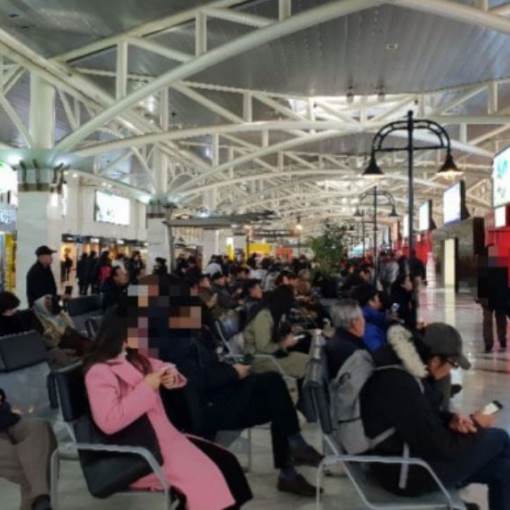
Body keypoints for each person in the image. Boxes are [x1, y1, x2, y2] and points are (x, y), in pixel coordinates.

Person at [136, 276, 323, 497]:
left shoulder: (172, 333)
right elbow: (194, 380)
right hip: (201, 410)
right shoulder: (168, 339)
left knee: (275, 393)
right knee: (274, 392)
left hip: (211, 398)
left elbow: (203, 369)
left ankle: (293, 455)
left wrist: (231, 370)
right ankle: (292, 459)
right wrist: (233, 373)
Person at [84, 307, 252, 510]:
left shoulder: (134, 358)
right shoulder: (99, 372)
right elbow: (109, 421)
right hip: (141, 452)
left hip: (165, 441)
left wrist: (171, 375)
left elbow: (162, 366)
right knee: (210, 479)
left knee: (227, 465)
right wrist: (147, 387)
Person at [361, 322, 510, 510]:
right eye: (452, 364)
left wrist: (450, 420)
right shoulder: (401, 383)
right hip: (406, 473)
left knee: (504, 469)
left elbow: (424, 418)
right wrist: (477, 425)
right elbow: (440, 447)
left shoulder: (405, 371)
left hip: (408, 461)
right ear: (435, 360)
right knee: (499, 437)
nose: (452, 370)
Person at [0, 389, 57, 510]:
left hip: (8, 421)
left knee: (39, 426)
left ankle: (39, 498)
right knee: (34, 471)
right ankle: (40, 497)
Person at [243, 285, 309, 378]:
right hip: (258, 360)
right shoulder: (263, 317)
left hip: (269, 356)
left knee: (307, 360)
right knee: (305, 364)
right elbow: (263, 347)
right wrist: (284, 344)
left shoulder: (274, 313)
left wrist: (288, 333)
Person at [33, 295, 93, 363]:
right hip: (60, 342)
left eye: (49, 300)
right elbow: (50, 341)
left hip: (71, 335)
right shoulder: (41, 322)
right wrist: (62, 332)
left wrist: (67, 329)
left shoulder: (59, 313)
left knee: (86, 343)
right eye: (46, 303)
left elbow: (71, 326)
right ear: (41, 307)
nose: (49, 304)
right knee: (85, 346)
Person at [325, 299, 366, 378]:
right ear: (354, 321)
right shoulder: (352, 351)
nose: (364, 321)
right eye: (362, 317)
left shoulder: (339, 340)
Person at [477, 257, 508, 353]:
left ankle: (496, 341)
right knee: (494, 319)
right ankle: (492, 342)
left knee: (495, 319)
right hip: (492, 295)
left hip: (496, 294)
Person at [351, 284, 389, 353]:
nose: (380, 300)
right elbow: (379, 353)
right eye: (377, 297)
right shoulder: (368, 328)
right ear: (371, 302)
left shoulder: (374, 318)